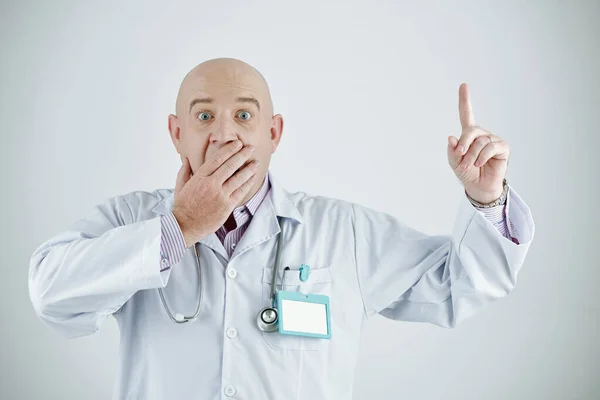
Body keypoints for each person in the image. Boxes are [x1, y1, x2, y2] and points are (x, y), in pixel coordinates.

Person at [28, 58, 535, 399]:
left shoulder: (343, 232)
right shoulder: (130, 222)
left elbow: (458, 287)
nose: (224, 133)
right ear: (176, 134)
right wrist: (178, 228)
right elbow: (50, 293)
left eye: (244, 115)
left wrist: (485, 198)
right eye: (204, 115)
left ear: (274, 134)